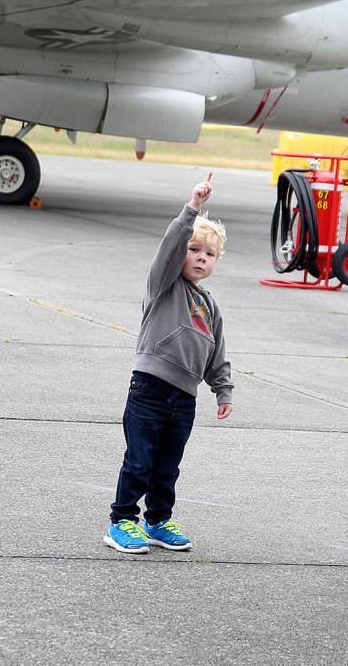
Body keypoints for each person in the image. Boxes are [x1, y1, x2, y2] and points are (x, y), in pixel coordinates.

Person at [104, 171, 234, 554]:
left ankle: (158, 520)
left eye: (208, 254)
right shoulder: (163, 285)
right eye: (194, 250)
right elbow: (171, 244)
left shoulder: (208, 305)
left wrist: (223, 389)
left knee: (166, 466)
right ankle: (122, 521)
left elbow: (217, 352)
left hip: (184, 397)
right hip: (149, 388)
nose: (200, 258)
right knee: (140, 460)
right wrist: (193, 208)